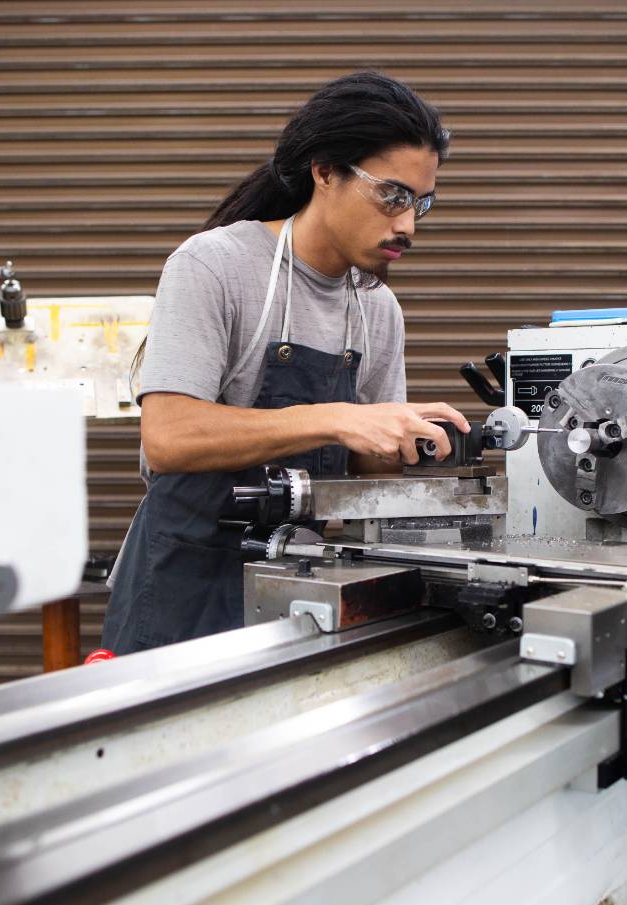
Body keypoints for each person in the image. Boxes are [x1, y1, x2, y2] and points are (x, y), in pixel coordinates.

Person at [102, 71, 470, 653]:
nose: (408, 225)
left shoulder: (377, 308)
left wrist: (405, 442)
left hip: (297, 585)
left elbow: (366, 478)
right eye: (392, 195)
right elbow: (169, 437)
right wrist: (337, 416)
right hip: (185, 588)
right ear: (325, 171)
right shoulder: (216, 266)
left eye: (421, 202)